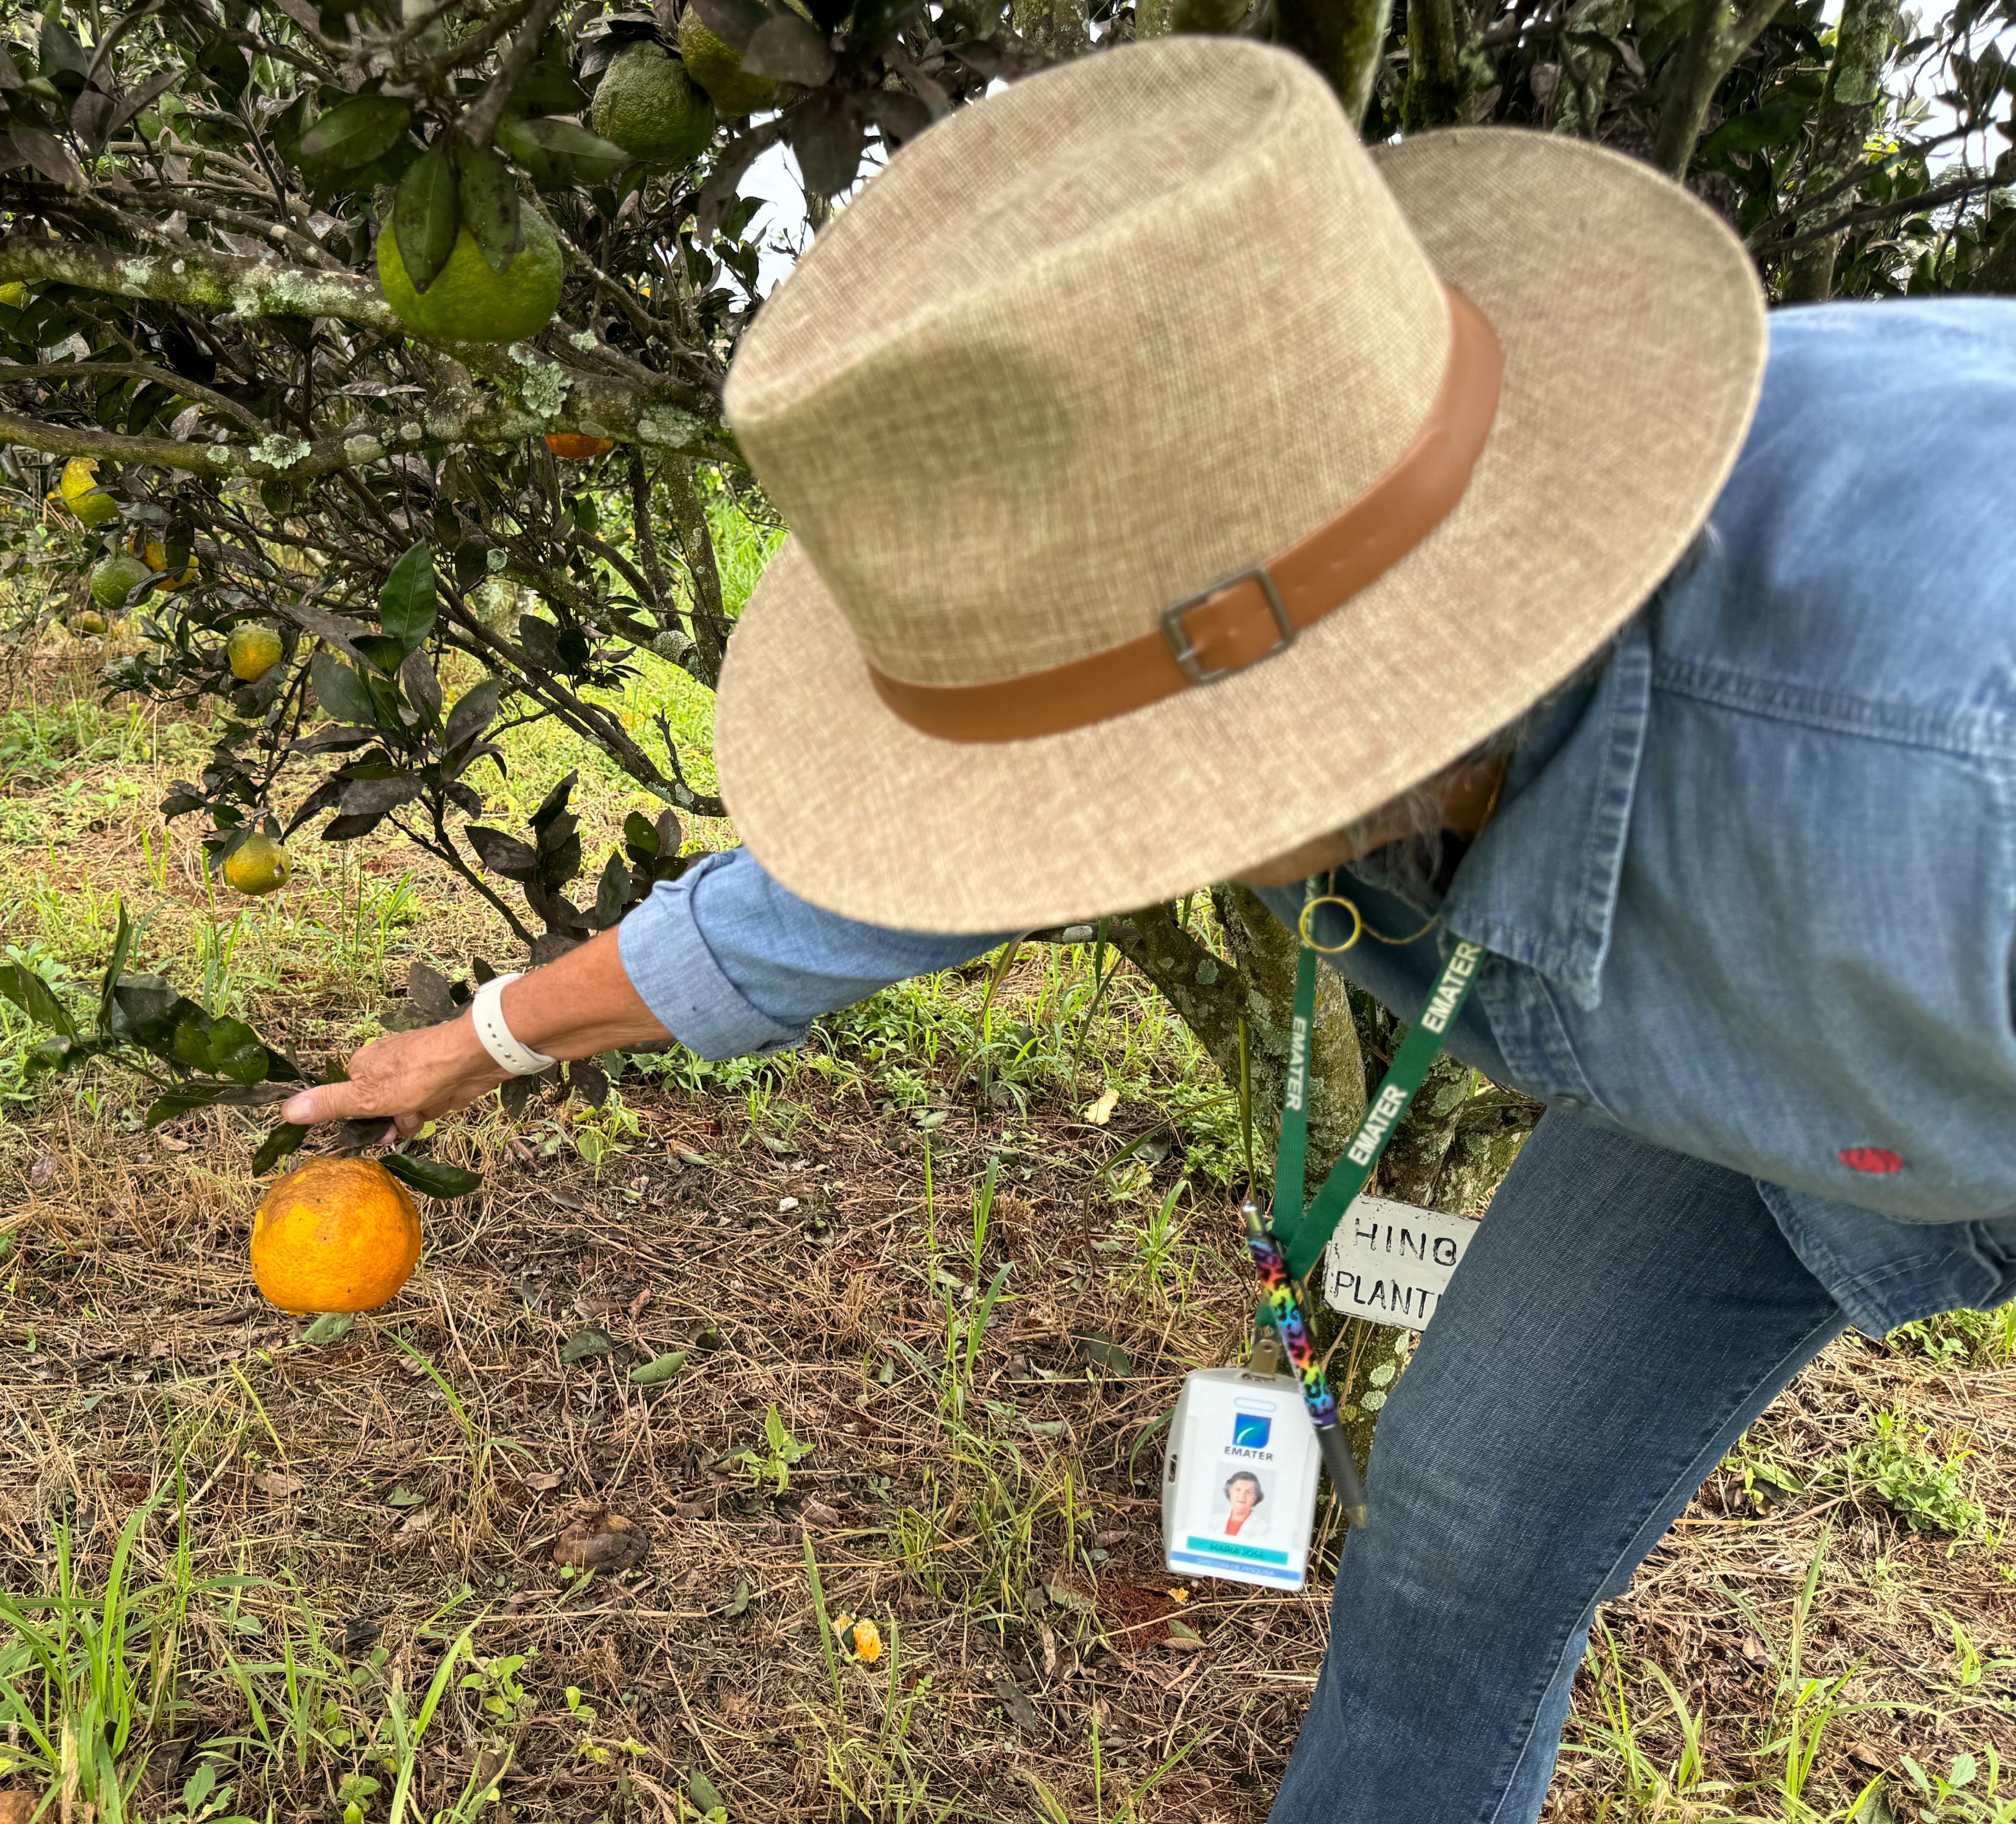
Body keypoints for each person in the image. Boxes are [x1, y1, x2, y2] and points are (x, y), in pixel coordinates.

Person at [282, 34, 2016, 1824]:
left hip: (1915, 939)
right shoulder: (1281, 517)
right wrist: (482, 1036)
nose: (1084, 833)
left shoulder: (1958, 763)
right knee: (1460, 1518)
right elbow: (862, 893)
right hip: (1750, 1049)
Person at [1219, 1471, 1268, 1542]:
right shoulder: (1213, 1520)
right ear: (1230, 1492)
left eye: (1249, 1492)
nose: (1242, 1496)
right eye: (1238, 1490)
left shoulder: (1263, 1528)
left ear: (1255, 1497)